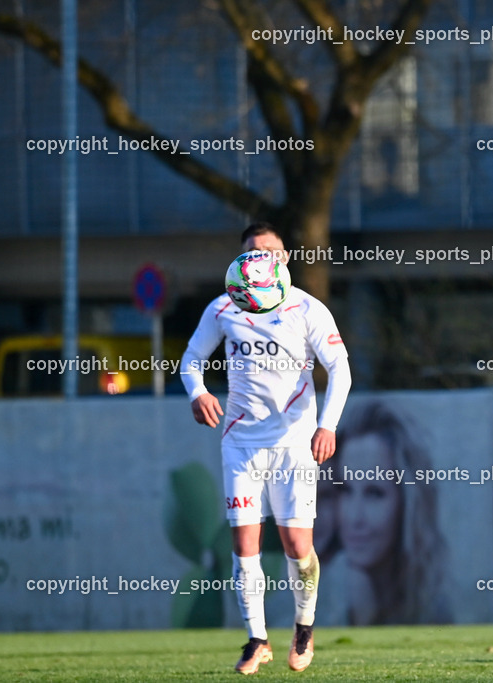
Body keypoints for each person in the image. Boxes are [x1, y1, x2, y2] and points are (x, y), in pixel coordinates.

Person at [181, 223, 352, 674]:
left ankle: (303, 627)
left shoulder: (307, 307)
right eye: (251, 252)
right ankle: (256, 639)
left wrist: (327, 425)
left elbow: (340, 368)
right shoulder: (223, 307)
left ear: (285, 259)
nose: (260, 259)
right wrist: (198, 392)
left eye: (269, 252)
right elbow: (191, 360)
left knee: (298, 545)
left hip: (295, 443)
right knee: (244, 542)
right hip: (241, 442)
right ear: (239, 261)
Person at [314, 401, 452, 625]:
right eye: (346, 491)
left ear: (408, 503)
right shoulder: (310, 595)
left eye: (374, 493)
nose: (354, 518)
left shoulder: (433, 603)